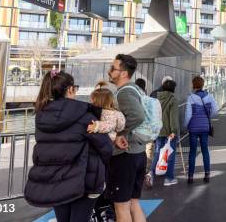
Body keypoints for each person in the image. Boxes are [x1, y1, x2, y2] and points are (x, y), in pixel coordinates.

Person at [25, 71, 112, 222]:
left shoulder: (42, 116)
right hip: (84, 180)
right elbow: (106, 149)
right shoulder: (85, 115)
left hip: (54, 181)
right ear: (70, 89)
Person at [107, 54, 148, 222]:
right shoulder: (136, 90)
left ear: (123, 73)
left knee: (121, 207)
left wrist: (119, 134)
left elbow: (137, 116)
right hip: (138, 152)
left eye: (113, 69)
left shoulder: (123, 94)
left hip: (125, 155)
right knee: (133, 203)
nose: (109, 72)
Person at [184, 76, 219, 184]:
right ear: (203, 84)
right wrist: (208, 116)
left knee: (192, 152)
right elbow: (215, 110)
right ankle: (207, 174)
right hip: (205, 127)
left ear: (193, 84)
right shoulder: (209, 96)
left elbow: (188, 115)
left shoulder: (190, 98)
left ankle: (190, 177)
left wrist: (185, 125)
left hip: (193, 128)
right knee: (205, 151)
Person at [151, 78, 180, 186]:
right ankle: (169, 178)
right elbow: (173, 117)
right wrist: (174, 131)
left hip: (158, 130)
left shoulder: (156, 98)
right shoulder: (172, 99)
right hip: (169, 132)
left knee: (157, 153)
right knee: (170, 154)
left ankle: (151, 174)